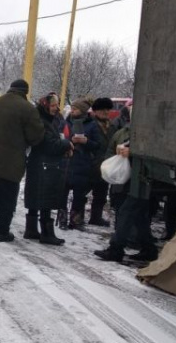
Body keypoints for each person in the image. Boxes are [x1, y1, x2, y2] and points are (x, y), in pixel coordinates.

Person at [0, 79, 44, 242]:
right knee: (7, 199)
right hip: (11, 162)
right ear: (25, 92)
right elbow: (35, 136)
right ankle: (2, 232)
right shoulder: (28, 108)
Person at [94, 141, 159, 263]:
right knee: (139, 215)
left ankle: (116, 249)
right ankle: (149, 249)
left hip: (144, 177)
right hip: (141, 176)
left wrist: (132, 152)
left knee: (127, 212)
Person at [23, 93, 74, 245]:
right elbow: (49, 145)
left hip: (40, 163)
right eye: (53, 105)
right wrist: (66, 144)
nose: (56, 108)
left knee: (37, 195)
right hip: (44, 164)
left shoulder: (46, 119)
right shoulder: (42, 122)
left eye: (57, 105)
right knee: (44, 196)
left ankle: (31, 229)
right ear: (45, 105)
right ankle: (46, 233)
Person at [60, 97, 101, 230]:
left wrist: (86, 142)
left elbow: (97, 144)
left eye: (75, 109)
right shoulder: (66, 122)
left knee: (79, 195)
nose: (72, 111)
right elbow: (60, 137)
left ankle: (75, 220)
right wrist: (69, 140)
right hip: (67, 162)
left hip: (83, 163)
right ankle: (62, 218)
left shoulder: (92, 124)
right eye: (71, 108)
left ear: (82, 110)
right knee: (62, 192)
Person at [88, 97, 116, 226]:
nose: (105, 112)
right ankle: (76, 217)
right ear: (96, 111)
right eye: (102, 110)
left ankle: (96, 217)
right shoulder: (90, 124)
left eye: (107, 109)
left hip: (106, 164)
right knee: (83, 191)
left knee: (101, 193)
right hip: (91, 163)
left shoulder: (112, 126)